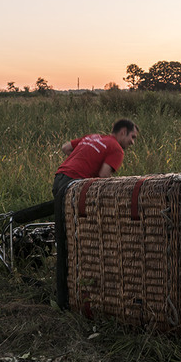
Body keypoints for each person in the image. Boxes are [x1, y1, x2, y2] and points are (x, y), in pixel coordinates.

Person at [52, 118, 139, 310]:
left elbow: (66, 147)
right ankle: (65, 298)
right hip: (72, 185)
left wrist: (85, 159)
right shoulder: (116, 148)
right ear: (123, 132)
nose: (133, 142)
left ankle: (65, 287)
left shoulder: (93, 137)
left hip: (59, 178)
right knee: (70, 237)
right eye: (132, 137)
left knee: (63, 231)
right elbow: (103, 176)